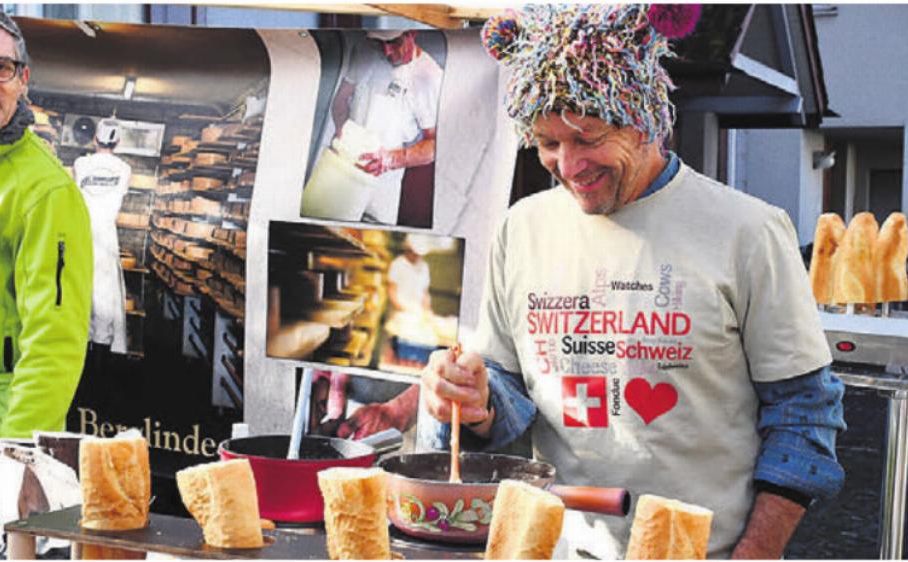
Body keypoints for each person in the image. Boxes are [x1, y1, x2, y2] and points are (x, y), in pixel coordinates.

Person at [418, 5, 846, 559]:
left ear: (644, 118)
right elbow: (512, 389)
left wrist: (755, 553)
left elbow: (803, 413)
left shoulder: (749, 231)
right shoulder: (521, 227)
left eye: (588, 138)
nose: (568, 166)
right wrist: (476, 402)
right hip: (553, 547)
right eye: (548, 143)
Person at [0, 4, 93, 440]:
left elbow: (54, 345)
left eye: (0, 67)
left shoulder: (43, 191)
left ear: (22, 80)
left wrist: (14, 459)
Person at [329, 30, 443, 225]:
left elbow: (434, 144)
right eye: (378, 44)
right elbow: (340, 100)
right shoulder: (364, 51)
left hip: (383, 184)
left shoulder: (429, 76)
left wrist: (390, 160)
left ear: (412, 33)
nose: (387, 51)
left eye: (394, 42)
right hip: (344, 169)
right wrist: (342, 132)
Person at [73, 119, 131, 354]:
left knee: (79, 292)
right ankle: (101, 359)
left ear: (95, 138)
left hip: (82, 235)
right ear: (117, 142)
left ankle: (80, 360)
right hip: (106, 238)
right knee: (104, 297)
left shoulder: (81, 163)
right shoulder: (124, 169)